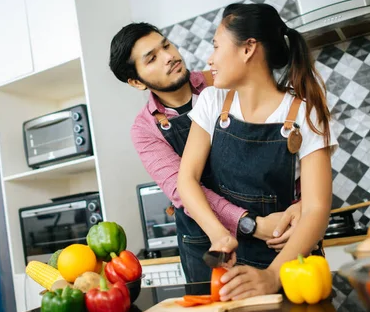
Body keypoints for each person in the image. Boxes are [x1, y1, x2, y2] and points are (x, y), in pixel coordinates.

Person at [108, 22, 305, 283]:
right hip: (208, 242)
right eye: (152, 58)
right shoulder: (145, 129)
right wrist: (250, 225)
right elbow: (182, 189)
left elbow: (284, 144)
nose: (169, 57)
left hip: (276, 229)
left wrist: (304, 204)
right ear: (136, 81)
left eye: (166, 45)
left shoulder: (223, 81)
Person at [177, 3, 337, 298]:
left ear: (248, 48)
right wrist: (219, 234)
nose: (209, 60)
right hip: (234, 270)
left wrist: (273, 276)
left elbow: (316, 208)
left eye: (216, 47)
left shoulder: (306, 112)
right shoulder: (212, 102)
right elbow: (186, 179)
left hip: (292, 266)